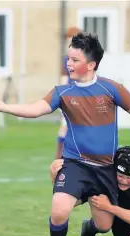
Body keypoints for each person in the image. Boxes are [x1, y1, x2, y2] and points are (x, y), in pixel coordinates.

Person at [0, 32, 130, 236]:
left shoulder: (111, 89)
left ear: (91, 64)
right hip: (76, 164)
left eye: (75, 60)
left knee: (104, 225)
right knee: (59, 209)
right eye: (68, 59)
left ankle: (89, 229)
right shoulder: (62, 92)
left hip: (105, 169)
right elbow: (36, 109)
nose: (69, 64)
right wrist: (3, 107)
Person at [56, 26, 82, 159]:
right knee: (65, 127)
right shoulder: (67, 59)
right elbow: (63, 78)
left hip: (83, 97)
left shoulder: (85, 58)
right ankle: (60, 159)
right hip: (71, 97)